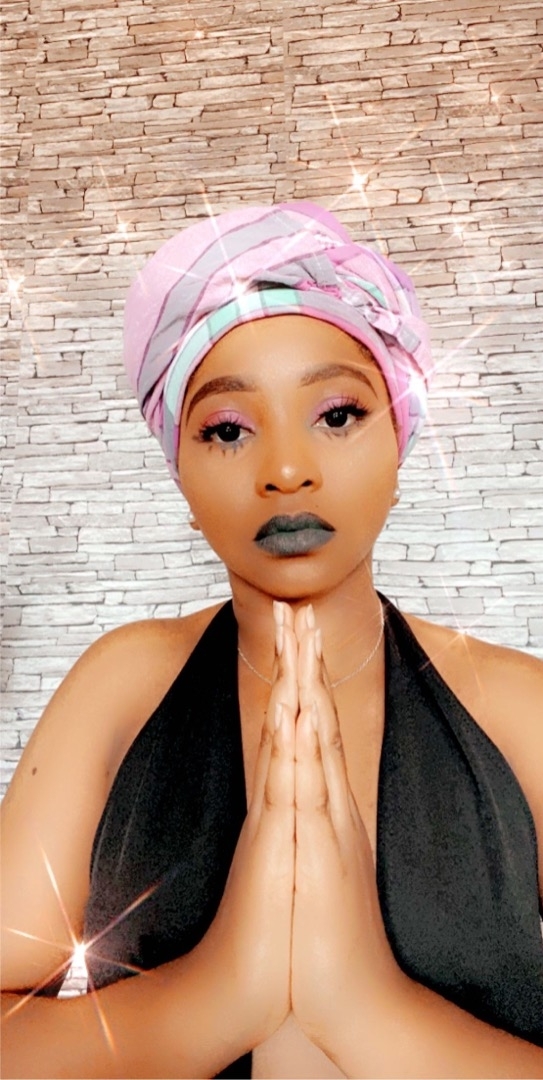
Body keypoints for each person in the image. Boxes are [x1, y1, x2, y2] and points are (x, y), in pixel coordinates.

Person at [2, 202, 542, 1080]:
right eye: (227, 429)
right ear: (180, 472)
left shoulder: (518, 713)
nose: (286, 470)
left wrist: (366, 1008)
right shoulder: (125, 687)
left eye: (337, 414)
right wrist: (213, 996)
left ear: (398, 443)